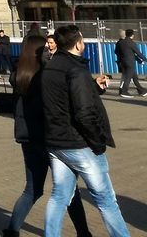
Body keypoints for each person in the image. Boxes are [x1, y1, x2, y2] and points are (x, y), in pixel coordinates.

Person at [41, 23, 130, 237]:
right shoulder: (75, 70)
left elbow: (65, 99)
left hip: (56, 141)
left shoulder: (51, 67)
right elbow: (83, 113)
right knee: (106, 199)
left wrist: (93, 87)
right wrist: (98, 142)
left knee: (59, 196)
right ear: (78, 43)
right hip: (78, 143)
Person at [3, 34, 91, 237]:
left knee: (32, 189)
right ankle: (83, 232)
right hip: (50, 139)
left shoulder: (19, 75)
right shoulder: (46, 76)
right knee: (68, 190)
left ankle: (12, 231)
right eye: (46, 49)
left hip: (27, 138)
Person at [114, 29, 146, 97]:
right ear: (132, 35)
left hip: (122, 62)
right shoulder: (131, 43)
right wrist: (145, 59)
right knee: (128, 78)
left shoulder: (120, 43)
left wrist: (122, 57)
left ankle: (142, 91)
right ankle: (124, 91)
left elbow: (116, 52)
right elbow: (138, 53)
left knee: (134, 77)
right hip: (130, 63)